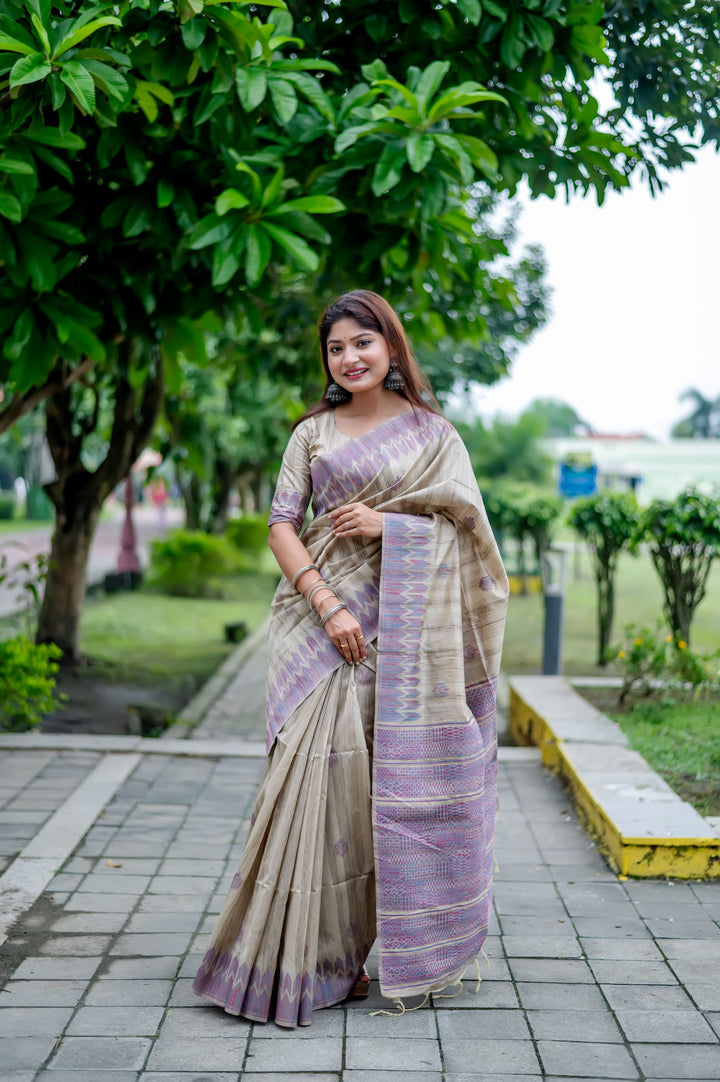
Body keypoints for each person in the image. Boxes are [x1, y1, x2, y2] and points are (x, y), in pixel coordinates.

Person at [192, 290, 508, 1027]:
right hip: (318, 629)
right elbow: (281, 524)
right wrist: (327, 604)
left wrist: (390, 524)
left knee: (384, 800)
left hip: (406, 643)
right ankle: (304, 959)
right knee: (311, 786)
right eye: (336, 348)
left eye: (363, 342)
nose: (349, 357)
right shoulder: (313, 434)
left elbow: (473, 540)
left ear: (392, 348)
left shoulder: (436, 437)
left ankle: (374, 948)